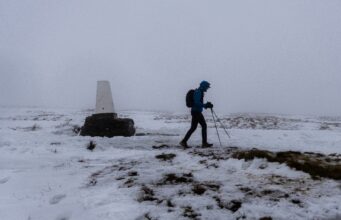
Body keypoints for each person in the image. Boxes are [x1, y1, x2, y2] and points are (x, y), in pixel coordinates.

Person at [180, 81, 214, 148]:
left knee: (195, 127)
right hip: (196, 112)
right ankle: (203, 143)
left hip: (196, 111)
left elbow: (197, 102)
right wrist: (205, 105)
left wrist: (205, 105)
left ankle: (184, 141)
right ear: (203, 86)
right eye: (207, 87)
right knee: (202, 126)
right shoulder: (198, 92)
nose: (207, 88)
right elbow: (196, 102)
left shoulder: (199, 92)